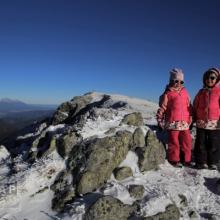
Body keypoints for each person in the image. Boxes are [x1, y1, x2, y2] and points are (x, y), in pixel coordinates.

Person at [156, 68, 192, 167]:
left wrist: (191, 117)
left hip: (184, 122)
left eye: (181, 81)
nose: (178, 83)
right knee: (174, 142)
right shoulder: (168, 93)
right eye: (176, 81)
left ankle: (186, 159)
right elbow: (163, 107)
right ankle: (174, 159)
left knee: (187, 141)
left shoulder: (185, 92)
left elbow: (189, 106)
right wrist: (160, 119)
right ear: (171, 81)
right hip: (172, 122)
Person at [193, 67, 220, 170]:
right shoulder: (201, 92)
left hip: (215, 122)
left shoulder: (219, 91)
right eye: (207, 77)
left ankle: (213, 162)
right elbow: (195, 105)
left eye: (212, 77)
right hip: (201, 121)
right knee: (201, 143)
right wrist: (194, 117)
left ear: (216, 79)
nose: (209, 80)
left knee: (214, 143)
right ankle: (201, 162)